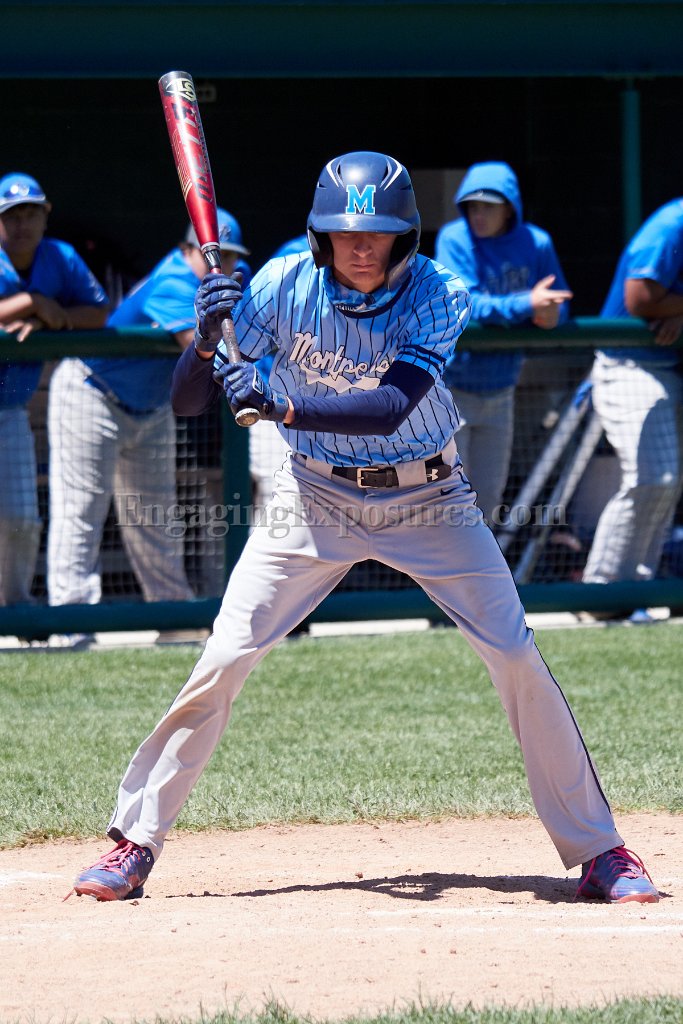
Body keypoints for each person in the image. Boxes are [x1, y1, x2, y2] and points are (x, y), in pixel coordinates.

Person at [71, 151, 658, 905]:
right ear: (320, 235)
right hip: (313, 496)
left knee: (515, 654)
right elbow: (187, 401)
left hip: (430, 498)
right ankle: (134, 841)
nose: (361, 248)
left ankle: (601, 851)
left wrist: (279, 405)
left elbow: (390, 406)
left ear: (404, 236)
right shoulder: (281, 284)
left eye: (377, 234)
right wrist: (208, 336)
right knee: (223, 656)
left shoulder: (439, 291)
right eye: (346, 234)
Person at [47, 208, 251, 645]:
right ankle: (71, 625)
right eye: (211, 256)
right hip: (93, 392)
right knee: (82, 512)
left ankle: (174, 619)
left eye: (229, 257)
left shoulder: (232, 279)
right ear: (186, 250)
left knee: (155, 519)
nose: (221, 266)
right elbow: (207, 355)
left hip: (151, 408)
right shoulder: (173, 280)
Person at [435, 161, 573, 525]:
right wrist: (527, 305)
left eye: (488, 207)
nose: (478, 215)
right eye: (473, 206)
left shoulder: (536, 242)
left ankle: (481, 565)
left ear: (509, 208)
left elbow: (559, 301)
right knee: (447, 500)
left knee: (488, 502)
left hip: (502, 390)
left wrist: (551, 315)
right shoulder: (454, 237)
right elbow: (466, 303)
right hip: (451, 391)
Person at [0, 172, 109, 608]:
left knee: (22, 519)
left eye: (30, 213)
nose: (22, 224)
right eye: (12, 215)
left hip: (10, 409)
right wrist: (33, 303)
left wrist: (54, 316)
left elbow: (98, 314)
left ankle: (15, 611)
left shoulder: (59, 256)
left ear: (45, 216)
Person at [581, 198, 683, 599]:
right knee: (653, 478)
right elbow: (639, 297)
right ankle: (602, 592)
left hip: (669, 367)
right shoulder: (672, 223)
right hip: (629, 364)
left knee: (668, 485)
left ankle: (638, 589)